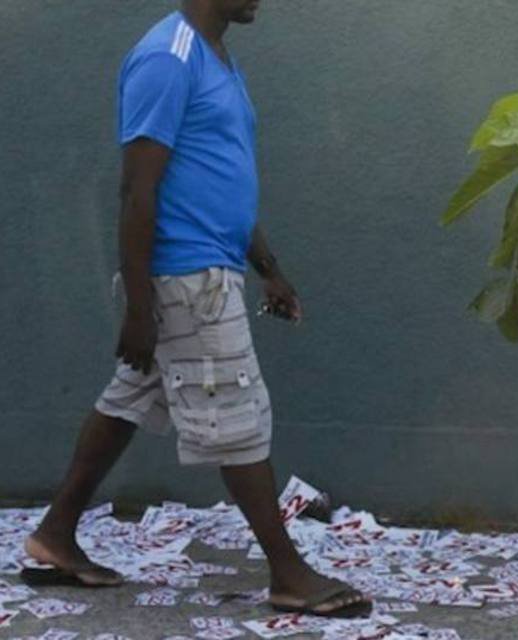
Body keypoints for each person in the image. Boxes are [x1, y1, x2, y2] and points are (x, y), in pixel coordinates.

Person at [23, 0, 371, 618]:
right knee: (236, 420)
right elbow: (137, 187)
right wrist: (137, 307)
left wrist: (269, 269)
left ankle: (55, 535)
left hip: (209, 267)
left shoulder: (217, 60)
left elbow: (221, 180)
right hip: (187, 279)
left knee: (129, 399)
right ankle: (288, 573)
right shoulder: (168, 56)